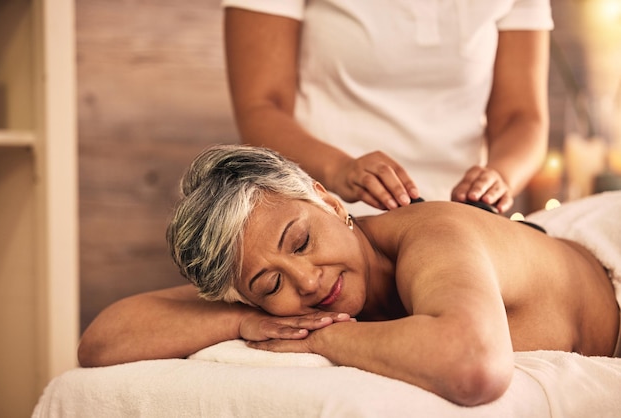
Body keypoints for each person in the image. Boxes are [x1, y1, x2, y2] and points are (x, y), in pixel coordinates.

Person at [78, 144, 621, 407]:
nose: (307, 282)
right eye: (270, 285)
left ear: (330, 201)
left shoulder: (431, 236)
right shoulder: (265, 283)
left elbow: (473, 366)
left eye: (302, 242)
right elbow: (103, 341)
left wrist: (331, 335)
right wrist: (239, 323)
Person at [222, 0, 553, 215]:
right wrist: (340, 170)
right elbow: (262, 107)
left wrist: (500, 177)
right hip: (326, 216)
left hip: (457, 223)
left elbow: (521, 117)